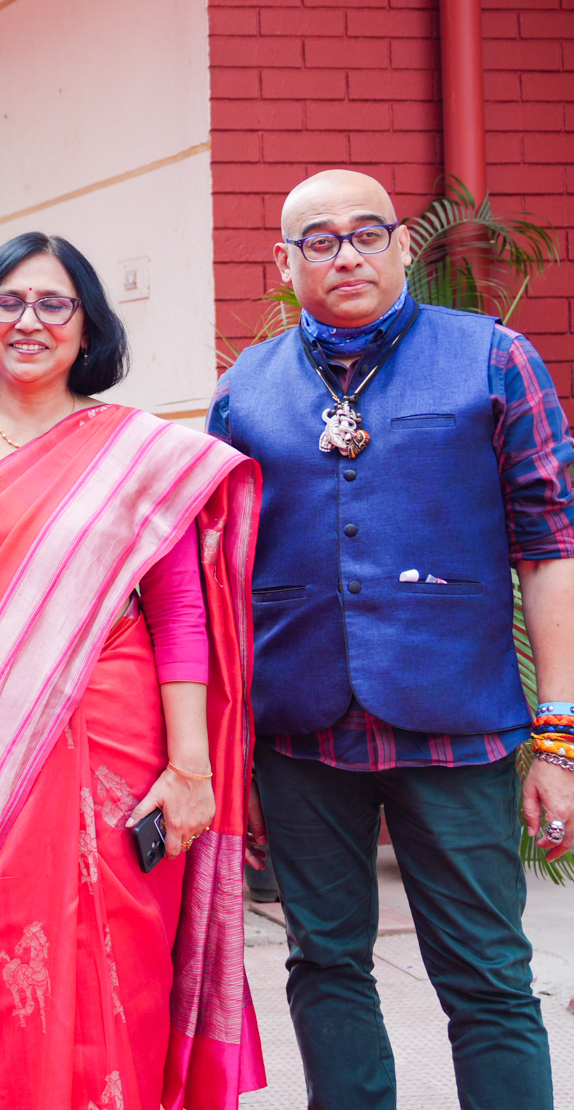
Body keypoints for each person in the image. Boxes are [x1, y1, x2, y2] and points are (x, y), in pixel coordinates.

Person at [0, 232, 265, 1110]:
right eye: (7, 302)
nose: (29, 321)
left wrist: (190, 766)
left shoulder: (133, 451)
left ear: (88, 325)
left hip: (117, 741)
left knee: (121, 954)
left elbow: (179, 615)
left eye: (53, 303)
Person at [211, 168, 572, 1109]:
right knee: (324, 964)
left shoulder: (493, 357)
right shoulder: (244, 390)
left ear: (404, 245)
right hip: (299, 730)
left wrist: (559, 735)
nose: (347, 255)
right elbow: (219, 577)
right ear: (284, 262)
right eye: (320, 240)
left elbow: (550, 549)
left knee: (488, 975)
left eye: (367, 233)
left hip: (458, 722)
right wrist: (230, 752)